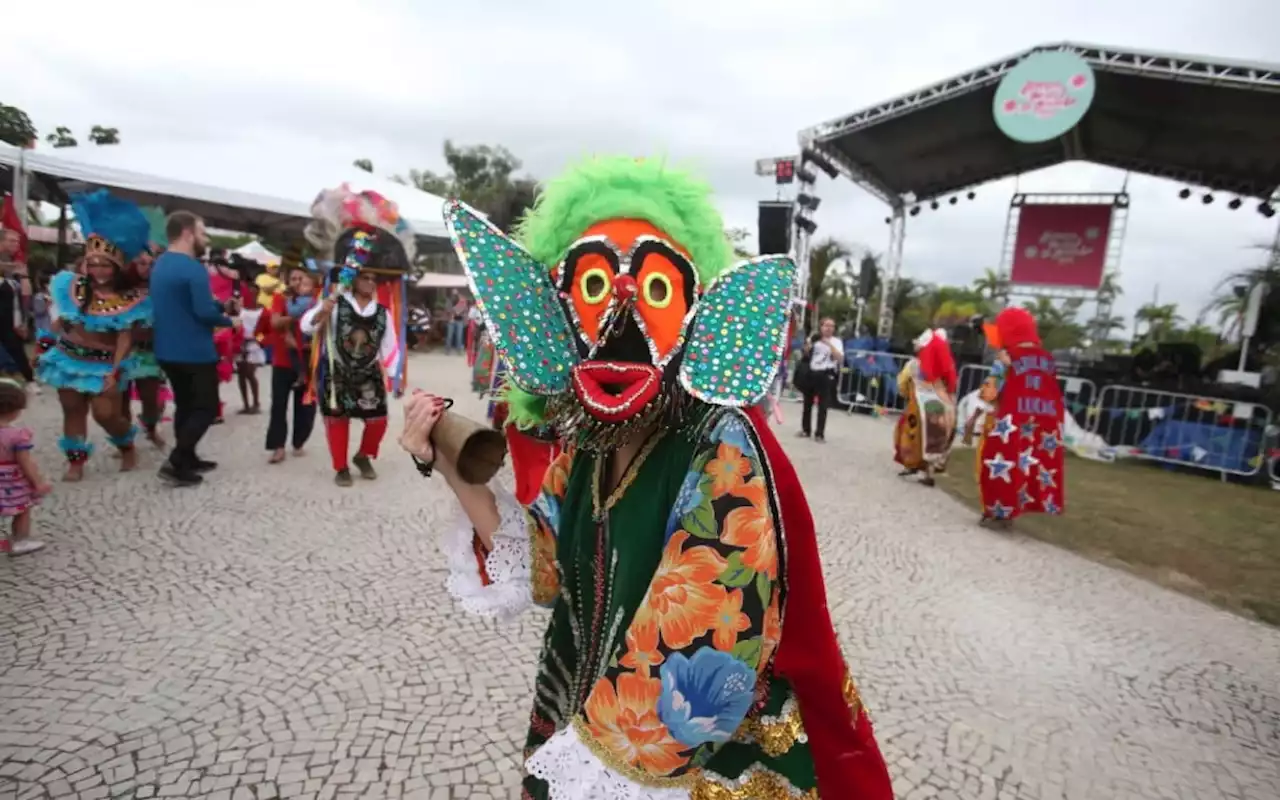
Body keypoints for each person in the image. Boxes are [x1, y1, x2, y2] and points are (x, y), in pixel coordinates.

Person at [398, 156, 893, 800]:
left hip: (684, 766)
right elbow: (543, 563)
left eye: (656, 289)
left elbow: (708, 647)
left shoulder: (722, 446)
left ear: (700, 309)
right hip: (589, 722)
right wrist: (444, 458)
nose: (620, 322)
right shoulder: (590, 438)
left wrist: (592, 773)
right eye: (594, 287)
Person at [36, 191, 151, 481]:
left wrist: (115, 369)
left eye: (105, 264)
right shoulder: (67, 286)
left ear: (116, 266)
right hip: (67, 358)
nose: (99, 270)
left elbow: (125, 337)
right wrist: (45, 345)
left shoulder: (132, 298)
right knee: (72, 410)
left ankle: (126, 444)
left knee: (105, 414)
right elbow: (57, 323)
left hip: (104, 365)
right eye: (94, 263)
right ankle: (75, 463)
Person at [300, 186, 409, 488]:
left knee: (379, 421)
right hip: (337, 371)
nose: (371, 282)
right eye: (366, 276)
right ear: (354, 276)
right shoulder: (336, 304)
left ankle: (364, 454)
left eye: (375, 278)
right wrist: (323, 309)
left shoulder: (382, 312)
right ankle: (340, 467)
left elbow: (389, 348)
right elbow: (306, 327)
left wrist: (395, 376)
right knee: (338, 420)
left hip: (368, 373)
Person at [149, 211, 234, 487]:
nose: (204, 238)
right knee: (206, 407)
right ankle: (176, 460)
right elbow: (203, 312)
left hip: (167, 348)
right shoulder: (193, 268)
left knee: (185, 404)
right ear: (187, 233)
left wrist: (216, 308)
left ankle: (188, 458)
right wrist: (227, 319)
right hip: (194, 350)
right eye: (202, 232)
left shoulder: (160, 264)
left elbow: (183, 304)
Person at [968, 307, 1066, 525]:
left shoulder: (1005, 359)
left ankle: (996, 509)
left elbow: (990, 392)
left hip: (1006, 420)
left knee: (996, 462)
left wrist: (975, 413)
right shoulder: (1048, 360)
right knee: (1025, 465)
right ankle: (1012, 512)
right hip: (1041, 423)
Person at [257, 267, 318, 464]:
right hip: (282, 361)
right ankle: (278, 447)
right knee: (278, 405)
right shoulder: (280, 298)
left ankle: (299, 442)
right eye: (293, 278)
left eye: (301, 278)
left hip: (309, 359)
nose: (298, 282)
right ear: (287, 280)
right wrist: (300, 317)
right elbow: (275, 323)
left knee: (307, 406)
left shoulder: (316, 299)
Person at [894, 328, 957, 486]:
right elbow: (952, 386)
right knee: (936, 437)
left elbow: (902, 384)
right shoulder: (947, 366)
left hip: (918, 406)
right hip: (942, 405)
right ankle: (929, 472)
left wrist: (905, 393)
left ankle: (911, 463)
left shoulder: (914, 365)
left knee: (911, 434)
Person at [121, 246, 169, 449]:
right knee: (121, 400)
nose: (146, 268)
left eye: (150, 264)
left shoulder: (159, 288)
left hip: (148, 351)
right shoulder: (120, 288)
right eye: (142, 263)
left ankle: (151, 428)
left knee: (150, 399)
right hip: (122, 351)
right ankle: (125, 440)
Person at [0, 379, 53, 557]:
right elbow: (25, 461)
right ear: (15, 411)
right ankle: (20, 540)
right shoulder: (17, 436)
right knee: (22, 509)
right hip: (11, 479)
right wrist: (38, 482)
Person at [799, 316, 843, 443]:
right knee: (807, 403)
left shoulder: (836, 341)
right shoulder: (814, 339)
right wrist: (808, 345)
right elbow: (806, 354)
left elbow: (839, 358)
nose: (829, 328)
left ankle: (819, 433)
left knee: (823, 405)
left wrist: (828, 343)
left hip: (826, 373)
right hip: (812, 372)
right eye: (826, 325)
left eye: (832, 326)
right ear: (821, 327)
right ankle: (805, 429)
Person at [0, 229, 34, 383]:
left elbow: (24, 294)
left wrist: (23, 321)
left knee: (20, 362)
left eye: (17, 242)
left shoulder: (13, 266)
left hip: (11, 325)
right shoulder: (9, 265)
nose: (16, 245)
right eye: (12, 241)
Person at [234, 294, 264, 413]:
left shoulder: (262, 311)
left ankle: (256, 403)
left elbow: (266, 331)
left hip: (253, 345)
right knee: (241, 375)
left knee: (250, 374)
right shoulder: (240, 311)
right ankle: (245, 404)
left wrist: (258, 340)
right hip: (240, 344)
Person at [445, 290, 467, 354]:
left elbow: (464, 310)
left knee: (459, 336)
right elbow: (447, 309)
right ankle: (447, 350)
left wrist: (457, 311)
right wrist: (454, 311)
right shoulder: (449, 300)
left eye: (456, 293)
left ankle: (459, 350)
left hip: (459, 321)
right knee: (449, 336)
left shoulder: (462, 301)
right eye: (453, 293)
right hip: (451, 320)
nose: (454, 295)